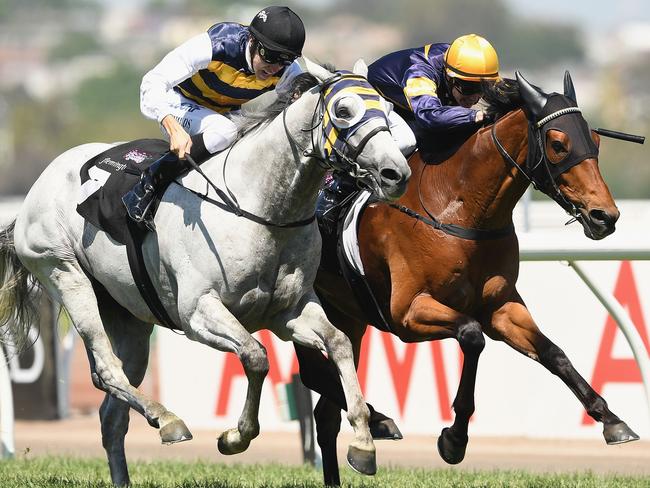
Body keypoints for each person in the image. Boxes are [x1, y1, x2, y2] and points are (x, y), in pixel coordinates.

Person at [123, 6, 306, 230]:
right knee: (225, 131)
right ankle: (150, 181)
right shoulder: (217, 45)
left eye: (284, 61)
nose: (275, 68)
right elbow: (152, 82)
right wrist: (172, 125)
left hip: (224, 112)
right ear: (251, 40)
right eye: (270, 56)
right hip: (180, 103)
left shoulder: (285, 69)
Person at [367, 33, 500, 152]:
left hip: (406, 108)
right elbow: (429, 115)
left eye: (482, 89)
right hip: (371, 101)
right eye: (469, 88)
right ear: (449, 77)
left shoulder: (460, 63)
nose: (475, 98)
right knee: (406, 141)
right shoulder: (419, 71)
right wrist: (474, 116)